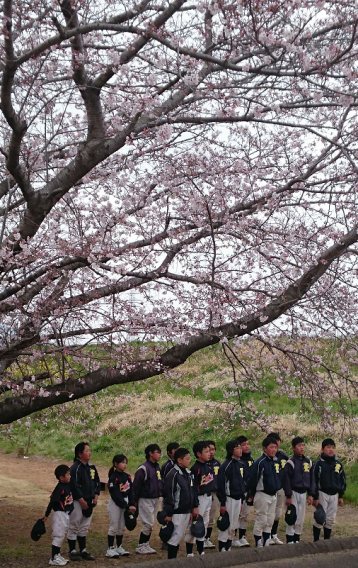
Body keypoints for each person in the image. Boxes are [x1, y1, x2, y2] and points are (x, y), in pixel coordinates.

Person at [162, 447, 199, 559]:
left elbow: (192, 492)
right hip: (177, 511)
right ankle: (171, 561)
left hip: (186, 510)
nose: (189, 461)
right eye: (187, 459)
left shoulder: (188, 474)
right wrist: (168, 514)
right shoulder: (173, 475)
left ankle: (174, 561)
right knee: (175, 537)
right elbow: (169, 495)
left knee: (179, 536)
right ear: (179, 460)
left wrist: (194, 507)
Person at [68, 442, 100, 561]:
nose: (89, 452)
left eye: (89, 450)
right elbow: (74, 485)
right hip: (78, 501)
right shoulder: (75, 468)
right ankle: (72, 550)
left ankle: (83, 550)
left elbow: (97, 481)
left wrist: (96, 495)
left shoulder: (91, 467)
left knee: (84, 526)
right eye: (86, 450)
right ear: (80, 454)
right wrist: (81, 500)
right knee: (74, 524)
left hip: (89, 500)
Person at [247, 436, 282, 547]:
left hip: (273, 495)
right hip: (262, 494)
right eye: (271, 447)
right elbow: (252, 479)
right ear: (264, 448)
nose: (274, 450)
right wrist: (251, 494)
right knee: (261, 520)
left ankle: (266, 542)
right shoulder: (259, 462)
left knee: (270, 520)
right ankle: (258, 543)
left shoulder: (275, 461)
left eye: (275, 447)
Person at [282, 437, 315, 543]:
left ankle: (297, 538)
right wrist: (288, 495)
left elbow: (312, 479)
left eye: (303, 445)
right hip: (293, 492)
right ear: (293, 448)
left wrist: (311, 494)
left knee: (301, 517)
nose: (302, 448)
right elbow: (286, 480)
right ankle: (290, 539)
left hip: (303, 492)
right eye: (299, 445)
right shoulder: (290, 463)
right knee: (292, 516)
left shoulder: (308, 462)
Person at [312, 438, 346, 541]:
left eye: (333, 448)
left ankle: (327, 540)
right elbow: (314, 480)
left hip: (334, 494)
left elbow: (342, 480)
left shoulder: (338, 464)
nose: (331, 450)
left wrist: (341, 495)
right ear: (322, 449)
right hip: (323, 493)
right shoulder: (319, 464)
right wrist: (315, 496)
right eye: (328, 447)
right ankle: (316, 541)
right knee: (320, 517)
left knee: (330, 519)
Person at [184, 441, 214, 557]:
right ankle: (190, 552)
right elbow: (193, 489)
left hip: (208, 498)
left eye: (209, 451)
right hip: (199, 499)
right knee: (195, 524)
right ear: (198, 454)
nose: (209, 454)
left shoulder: (208, 466)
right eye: (206, 452)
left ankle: (201, 551)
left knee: (204, 525)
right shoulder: (195, 469)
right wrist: (194, 505)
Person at [217, 440, 246, 552]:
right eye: (237, 448)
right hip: (229, 498)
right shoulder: (226, 465)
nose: (240, 450)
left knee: (234, 524)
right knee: (226, 524)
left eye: (240, 447)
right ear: (231, 450)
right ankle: (222, 548)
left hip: (238, 499)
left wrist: (242, 500)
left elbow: (242, 483)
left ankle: (228, 546)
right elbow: (221, 485)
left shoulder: (240, 464)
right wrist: (223, 503)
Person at [133, 443, 163, 554]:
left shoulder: (157, 467)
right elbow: (136, 486)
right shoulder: (143, 468)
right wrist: (134, 501)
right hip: (145, 498)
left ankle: (146, 544)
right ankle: (141, 545)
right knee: (148, 523)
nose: (160, 455)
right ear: (150, 453)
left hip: (155, 498)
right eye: (157, 452)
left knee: (151, 523)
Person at [43, 464, 74, 566]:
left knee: (62, 535)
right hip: (59, 514)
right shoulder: (59, 488)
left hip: (65, 514)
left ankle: (57, 554)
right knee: (58, 535)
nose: (70, 476)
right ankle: (53, 557)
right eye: (68, 474)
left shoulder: (66, 486)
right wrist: (46, 514)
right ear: (61, 478)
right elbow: (52, 501)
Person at [106, 454, 136, 558]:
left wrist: (131, 503)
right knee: (114, 525)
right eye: (122, 462)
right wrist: (126, 506)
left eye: (126, 463)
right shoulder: (113, 478)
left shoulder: (127, 476)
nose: (125, 465)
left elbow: (131, 491)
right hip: (115, 503)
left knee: (121, 526)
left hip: (126, 502)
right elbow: (115, 495)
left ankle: (119, 546)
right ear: (115, 464)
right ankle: (110, 548)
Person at [267, 432, 288, 545]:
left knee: (278, 513)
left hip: (280, 488)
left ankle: (274, 534)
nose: (276, 444)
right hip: (269, 490)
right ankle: (266, 534)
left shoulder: (283, 457)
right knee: (268, 513)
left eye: (278, 441)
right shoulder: (265, 458)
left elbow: (286, 474)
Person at [235, 435, 254, 547]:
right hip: (239, 492)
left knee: (245, 515)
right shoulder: (238, 461)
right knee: (238, 515)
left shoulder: (251, 460)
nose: (247, 447)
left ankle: (242, 536)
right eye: (243, 445)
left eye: (247, 444)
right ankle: (234, 537)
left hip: (249, 492)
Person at [204, 440, 220, 549]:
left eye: (213, 449)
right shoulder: (202, 464)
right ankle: (200, 537)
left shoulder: (217, 464)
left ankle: (207, 538)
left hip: (215, 493)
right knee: (204, 517)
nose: (211, 452)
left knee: (211, 518)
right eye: (208, 450)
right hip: (205, 494)